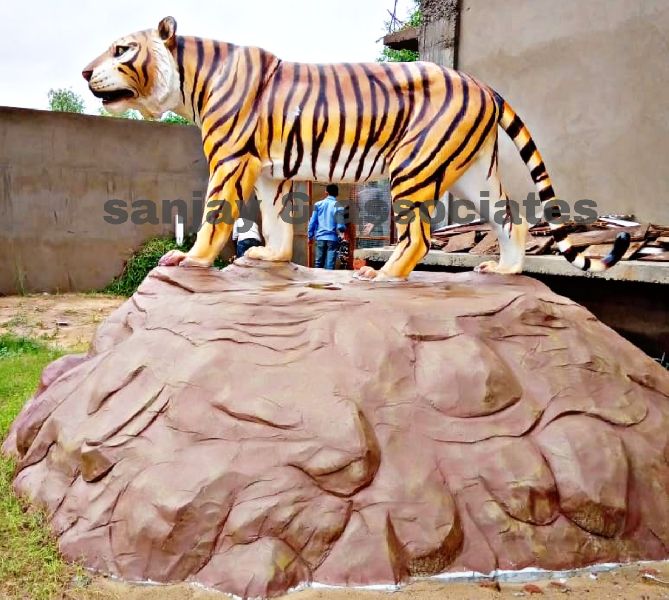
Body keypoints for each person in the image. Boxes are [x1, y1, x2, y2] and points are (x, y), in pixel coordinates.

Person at [308, 184, 347, 269]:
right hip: (332, 239)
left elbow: (312, 222)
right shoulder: (339, 206)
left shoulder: (318, 204)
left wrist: (310, 236)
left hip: (320, 238)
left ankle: (317, 281)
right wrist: (344, 229)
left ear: (326, 192)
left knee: (318, 263)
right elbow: (340, 226)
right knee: (330, 265)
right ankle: (329, 282)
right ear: (337, 193)